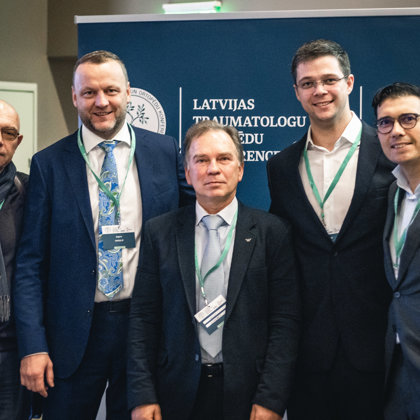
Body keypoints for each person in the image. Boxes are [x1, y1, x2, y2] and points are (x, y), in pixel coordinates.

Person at [13, 50, 193, 420]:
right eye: (89, 92)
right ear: (74, 96)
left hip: (145, 327)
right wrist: (32, 345)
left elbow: (194, 221)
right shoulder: (49, 164)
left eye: (110, 90)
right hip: (73, 334)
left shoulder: (165, 151)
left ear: (127, 92)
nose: (101, 102)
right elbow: (30, 264)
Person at [127, 120, 300, 420]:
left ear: (240, 169)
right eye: (201, 160)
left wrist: (271, 399)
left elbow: (285, 322)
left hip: (248, 394)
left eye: (224, 158)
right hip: (175, 392)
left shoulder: (273, 233)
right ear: (187, 173)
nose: (213, 169)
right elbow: (143, 318)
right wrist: (142, 395)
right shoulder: (160, 233)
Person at [266, 39, 395, 420]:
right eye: (308, 83)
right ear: (296, 92)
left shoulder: (390, 152)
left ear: (349, 83)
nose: (319, 91)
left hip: (379, 345)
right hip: (309, 352)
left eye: (329, 80)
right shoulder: (281, 167)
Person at [372, 82, 420, 419]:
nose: (397, 131)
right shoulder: (393, 193)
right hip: (398, 368)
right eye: (386, 122)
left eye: (409, 119)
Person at [0, 100, 30, 420]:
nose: (0, 141)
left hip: (10, 349)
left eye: (8, 133)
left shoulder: (30, 191)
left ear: (17, 141)